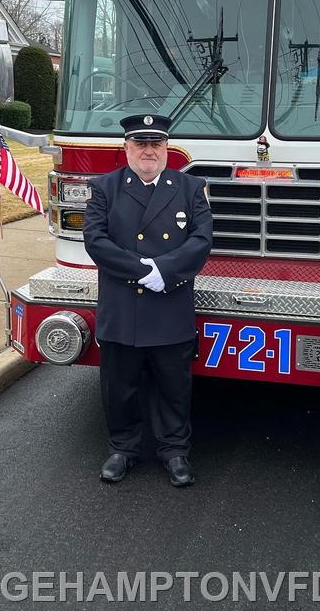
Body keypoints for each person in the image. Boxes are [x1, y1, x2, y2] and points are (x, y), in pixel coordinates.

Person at [84, 114, 213, 486]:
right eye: (140, 144)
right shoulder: (105, 188)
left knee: (174, 386)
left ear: (166, 149)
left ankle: (174, 451)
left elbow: (201, 240)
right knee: (119, 386)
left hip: (169, 305)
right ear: (126, 148)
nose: (148, 151)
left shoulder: (190, 187)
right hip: (122, 305)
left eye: (155, 144)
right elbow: (96, 240)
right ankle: (123, 449)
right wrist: (144, 272)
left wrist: (166, 272)